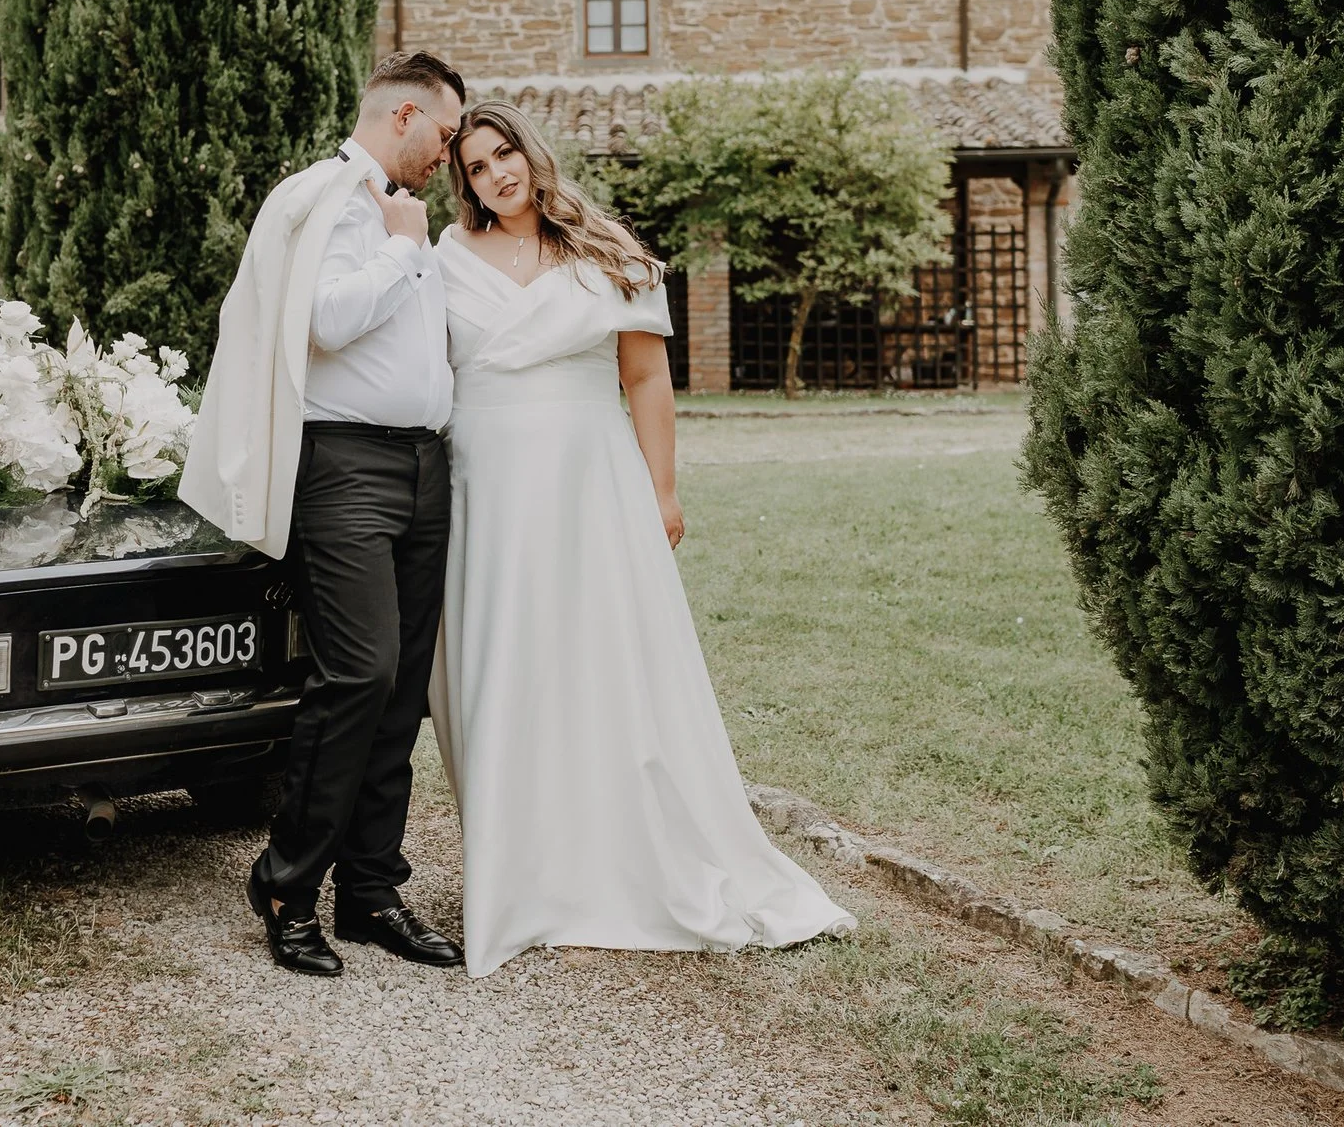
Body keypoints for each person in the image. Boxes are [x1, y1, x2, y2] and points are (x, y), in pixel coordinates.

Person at [428, 100, 856, 977]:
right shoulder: (446, 257)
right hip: (485, 486)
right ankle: (521, 874)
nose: (496, 174)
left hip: (592, 481)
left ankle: (617, 860)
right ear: (463, 182)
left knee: (601, 661)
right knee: (504, 666)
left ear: (529, 153)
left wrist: (662, 489)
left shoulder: (606, 249)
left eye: (503, 153)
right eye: (476, 166)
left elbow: (646, 375)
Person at [179, 51, 470, 976]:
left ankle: (372, 890)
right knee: (359, 670)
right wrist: (399, 246)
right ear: (403, 117)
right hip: (344, 465)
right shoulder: (321, 199)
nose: (451, 151)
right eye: (447, 131)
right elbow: (327, 322)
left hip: (427, 467)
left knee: (403, 686)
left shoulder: (408, 213)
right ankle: (286, 880)